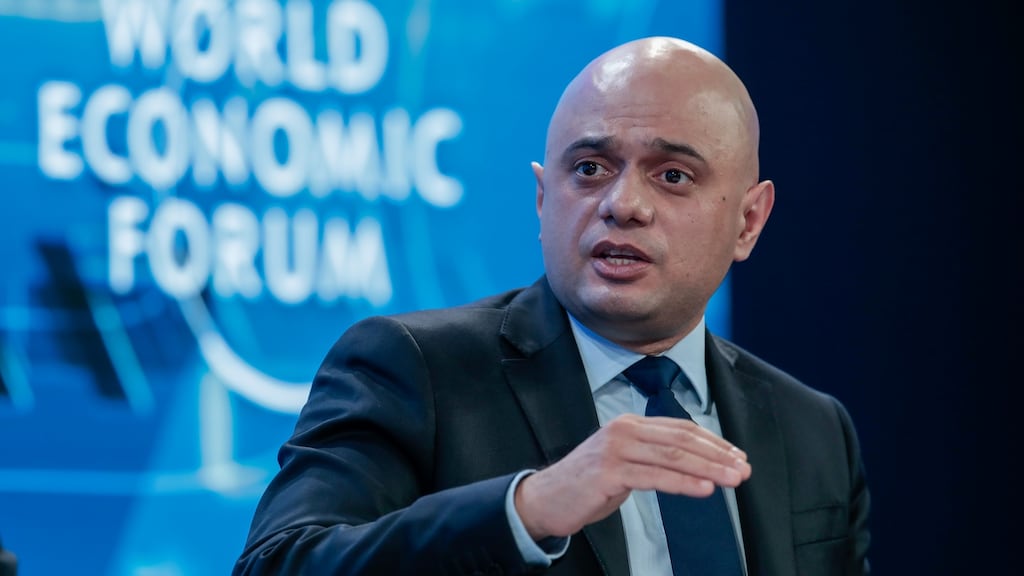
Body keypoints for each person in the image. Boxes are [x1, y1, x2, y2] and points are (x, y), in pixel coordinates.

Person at [233, 36, 871, 576]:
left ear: (749, 222)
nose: (624, 204)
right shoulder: (416, 368)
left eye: (672, 175)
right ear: (544, 199)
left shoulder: (813, 429)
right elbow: (281, 561)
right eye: (590, 168)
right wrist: (528, 510)